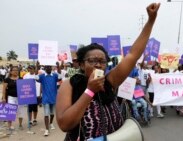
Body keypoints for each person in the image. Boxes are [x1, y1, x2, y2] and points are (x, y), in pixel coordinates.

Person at [56, 3, 160, 141]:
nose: (98, 65)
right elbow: (64, 124)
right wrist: (90, 91)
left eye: (102, 61)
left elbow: (132, 55)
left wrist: (151, 21)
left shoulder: (111, 80)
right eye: (92, 61)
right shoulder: (69, 84)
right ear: (81, 64)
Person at [36, 64, 61, 136]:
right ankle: (47, 129)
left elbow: (60, 77)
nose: (49, 68)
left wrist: (58, 66)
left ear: (51, 68)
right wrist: (37, 66)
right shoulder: (42, 76)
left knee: (52, 114)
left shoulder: (55, 75)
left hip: (53, 98)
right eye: (47, 67)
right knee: (46, 114)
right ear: (45, 68)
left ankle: (51, 123)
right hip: (45, 98)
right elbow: (36, 78)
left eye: (50, 67)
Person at [1, 66, 25, 134]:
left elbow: (24, 88)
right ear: (11, 72)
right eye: (14, 70)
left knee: (21, 111)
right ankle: (9, 126)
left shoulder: (21, 79)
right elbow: (4, 89)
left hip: (20, 98)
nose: (15, 71)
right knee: (11, 112)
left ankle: (20, 124)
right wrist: (3, 98)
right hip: (11, 97)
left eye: (17, 70)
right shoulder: (7, 79)